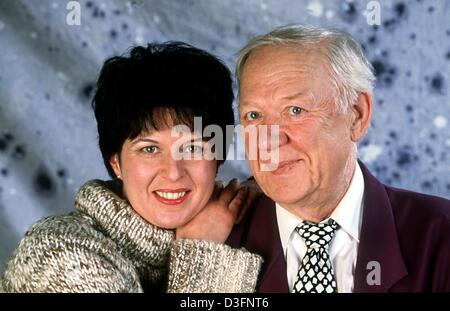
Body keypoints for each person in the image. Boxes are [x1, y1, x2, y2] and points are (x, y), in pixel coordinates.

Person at [0, 42, 262, 293]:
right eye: (149, 149)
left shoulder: (221, 221)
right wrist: (200, 254)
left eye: (192, 148)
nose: (173, 172)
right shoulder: (62, 254)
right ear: (116, 163)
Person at [227, 25, 450, 292]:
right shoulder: (214, 243)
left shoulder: (441, 236)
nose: (269, 140)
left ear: (357, 115)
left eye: (295, 110)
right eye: (253, 116)